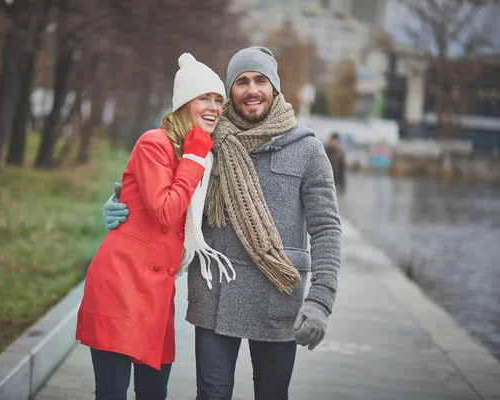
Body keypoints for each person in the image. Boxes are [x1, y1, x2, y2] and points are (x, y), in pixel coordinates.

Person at [103, 46, 343, 400]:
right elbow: (162, 193)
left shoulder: (306, 148)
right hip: (216, 296)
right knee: (211, 395)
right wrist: (119, 208)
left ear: (274, 87)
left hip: (277, 298)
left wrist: (320, 301)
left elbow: (326, 228)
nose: (251, 89)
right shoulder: (205, 139)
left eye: (260, 80)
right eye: (241, 81)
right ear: (231, 90)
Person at [76, 53, 227, 400]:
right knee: (112, 393)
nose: (213, 107)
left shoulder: (204, 153)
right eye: (204, 97)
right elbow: (164, 211)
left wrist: (196, 156)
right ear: (184, 103)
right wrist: (192, 159)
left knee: (153, 393)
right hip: (122, 284)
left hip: (158, 297)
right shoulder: (155, 143)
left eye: (219, 100)